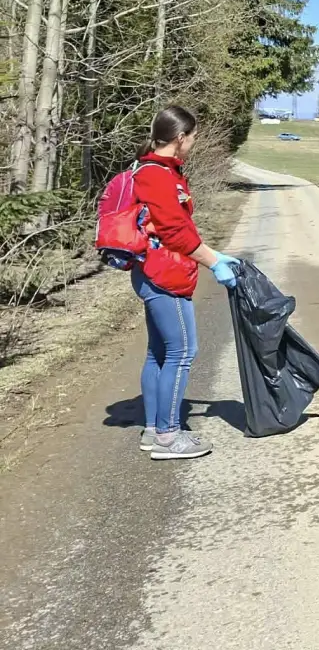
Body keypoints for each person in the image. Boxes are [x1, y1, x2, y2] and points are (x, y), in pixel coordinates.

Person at [131, 105, 240, 460]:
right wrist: (213, 263)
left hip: (154, 269)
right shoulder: (158, 175)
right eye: (192, 138)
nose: (193, 144)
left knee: (159, 352)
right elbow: (174, 231)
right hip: (164, 275)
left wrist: (214, 253)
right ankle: (167, 436)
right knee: (182, 352)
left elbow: (178, 226)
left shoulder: (157, 169)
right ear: (180, 138)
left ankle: (153, 429)